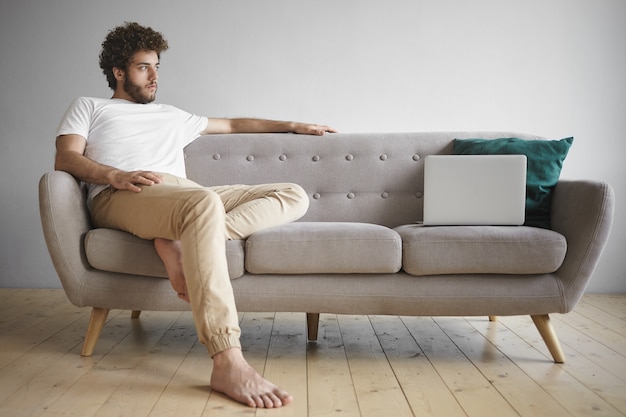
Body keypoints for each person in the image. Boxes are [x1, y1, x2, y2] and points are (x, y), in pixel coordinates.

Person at [55, 22, 335, 409]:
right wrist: (113, 175)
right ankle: (227, 360)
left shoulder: (173, 114)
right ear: (118, 72)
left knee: (292, 194)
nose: (154, 76)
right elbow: (66, 157)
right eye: (143, 67)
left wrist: (294, 125)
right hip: (125, 191)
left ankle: (184, 238)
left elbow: (235, 124)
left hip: (182, 197)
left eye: (157, 66)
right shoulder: (89, 106)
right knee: (203, 204)